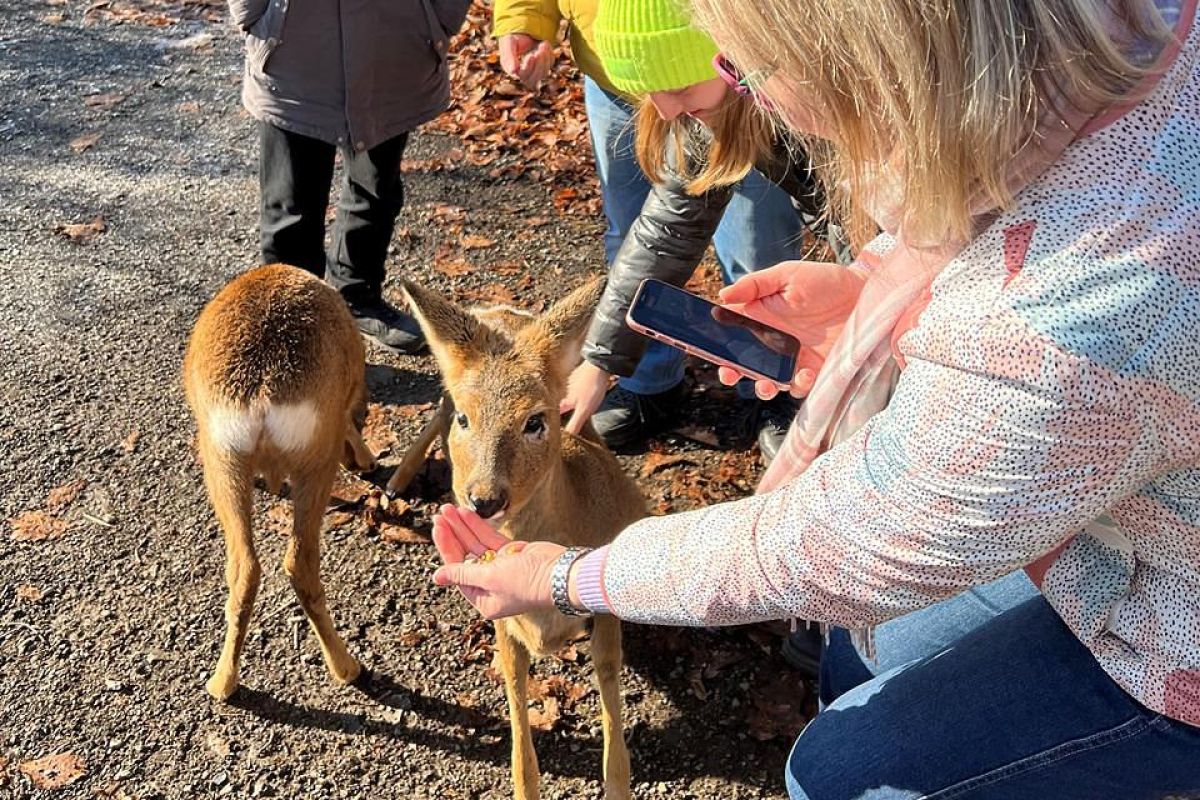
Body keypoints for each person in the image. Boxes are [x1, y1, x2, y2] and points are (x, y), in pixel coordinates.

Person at [430, 0, 1200, 796]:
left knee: (835, 775)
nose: (743, 93)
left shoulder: (1064, 317)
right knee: (861, 651)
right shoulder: (1118, 43)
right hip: (1118, 520)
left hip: (1177, 634)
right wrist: (875, 289)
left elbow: (839, 541)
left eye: (745, 69)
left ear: (865, 52)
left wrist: (570, 577)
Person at [492, 0, 814, 456]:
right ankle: (661, 387)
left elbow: (878, 233)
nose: (663, 112)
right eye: (649, 93)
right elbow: (666, 233)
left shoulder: (826, 102)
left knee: (760, 256)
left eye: (677, 87)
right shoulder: (708, 109)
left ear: (734, 54)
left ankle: (780, 397)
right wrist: (599, 362)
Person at [232, 0, 470, 353]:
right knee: (290, 208)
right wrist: (254, 14)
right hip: (294, 53)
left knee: (376, 189)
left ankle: (357, 297)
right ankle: (292, 331)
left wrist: (440, 16)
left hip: (393, 50)